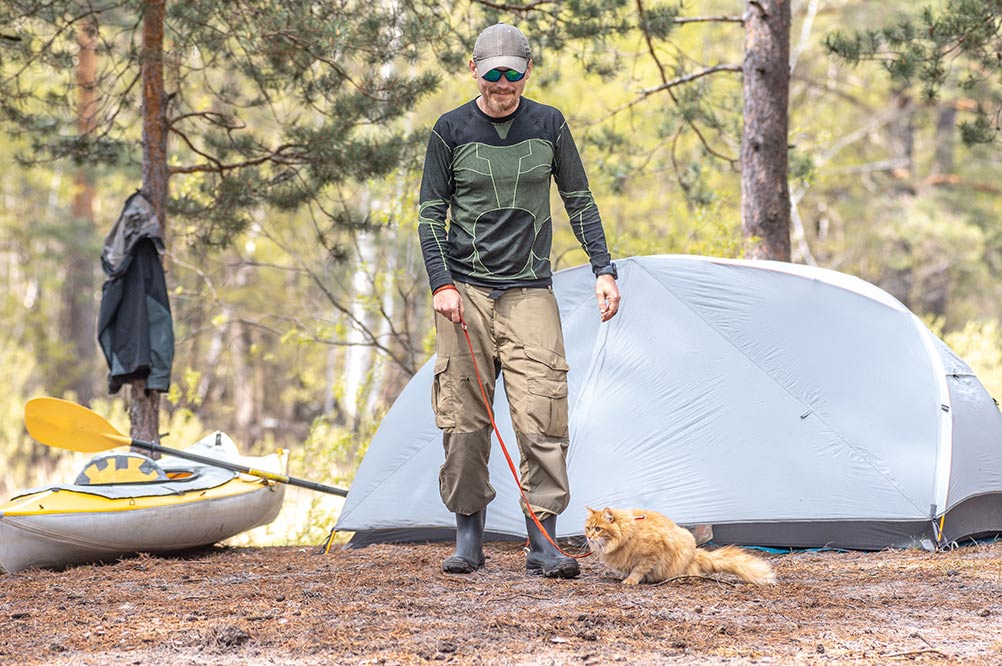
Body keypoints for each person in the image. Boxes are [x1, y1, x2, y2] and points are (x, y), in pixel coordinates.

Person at [418, 22, 620, 578]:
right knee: (462, 419)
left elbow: (579, 199)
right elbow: (430, 215)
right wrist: (443, 284)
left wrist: (605, 269)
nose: (502, 84)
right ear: (474, 71)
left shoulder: (549, 125)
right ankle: (468, 538)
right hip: (466, 293)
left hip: (530, 290)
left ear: (528, 71)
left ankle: (542, 541)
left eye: (512, 73)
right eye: (493, 74)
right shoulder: (449, 130)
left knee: (543, 416)